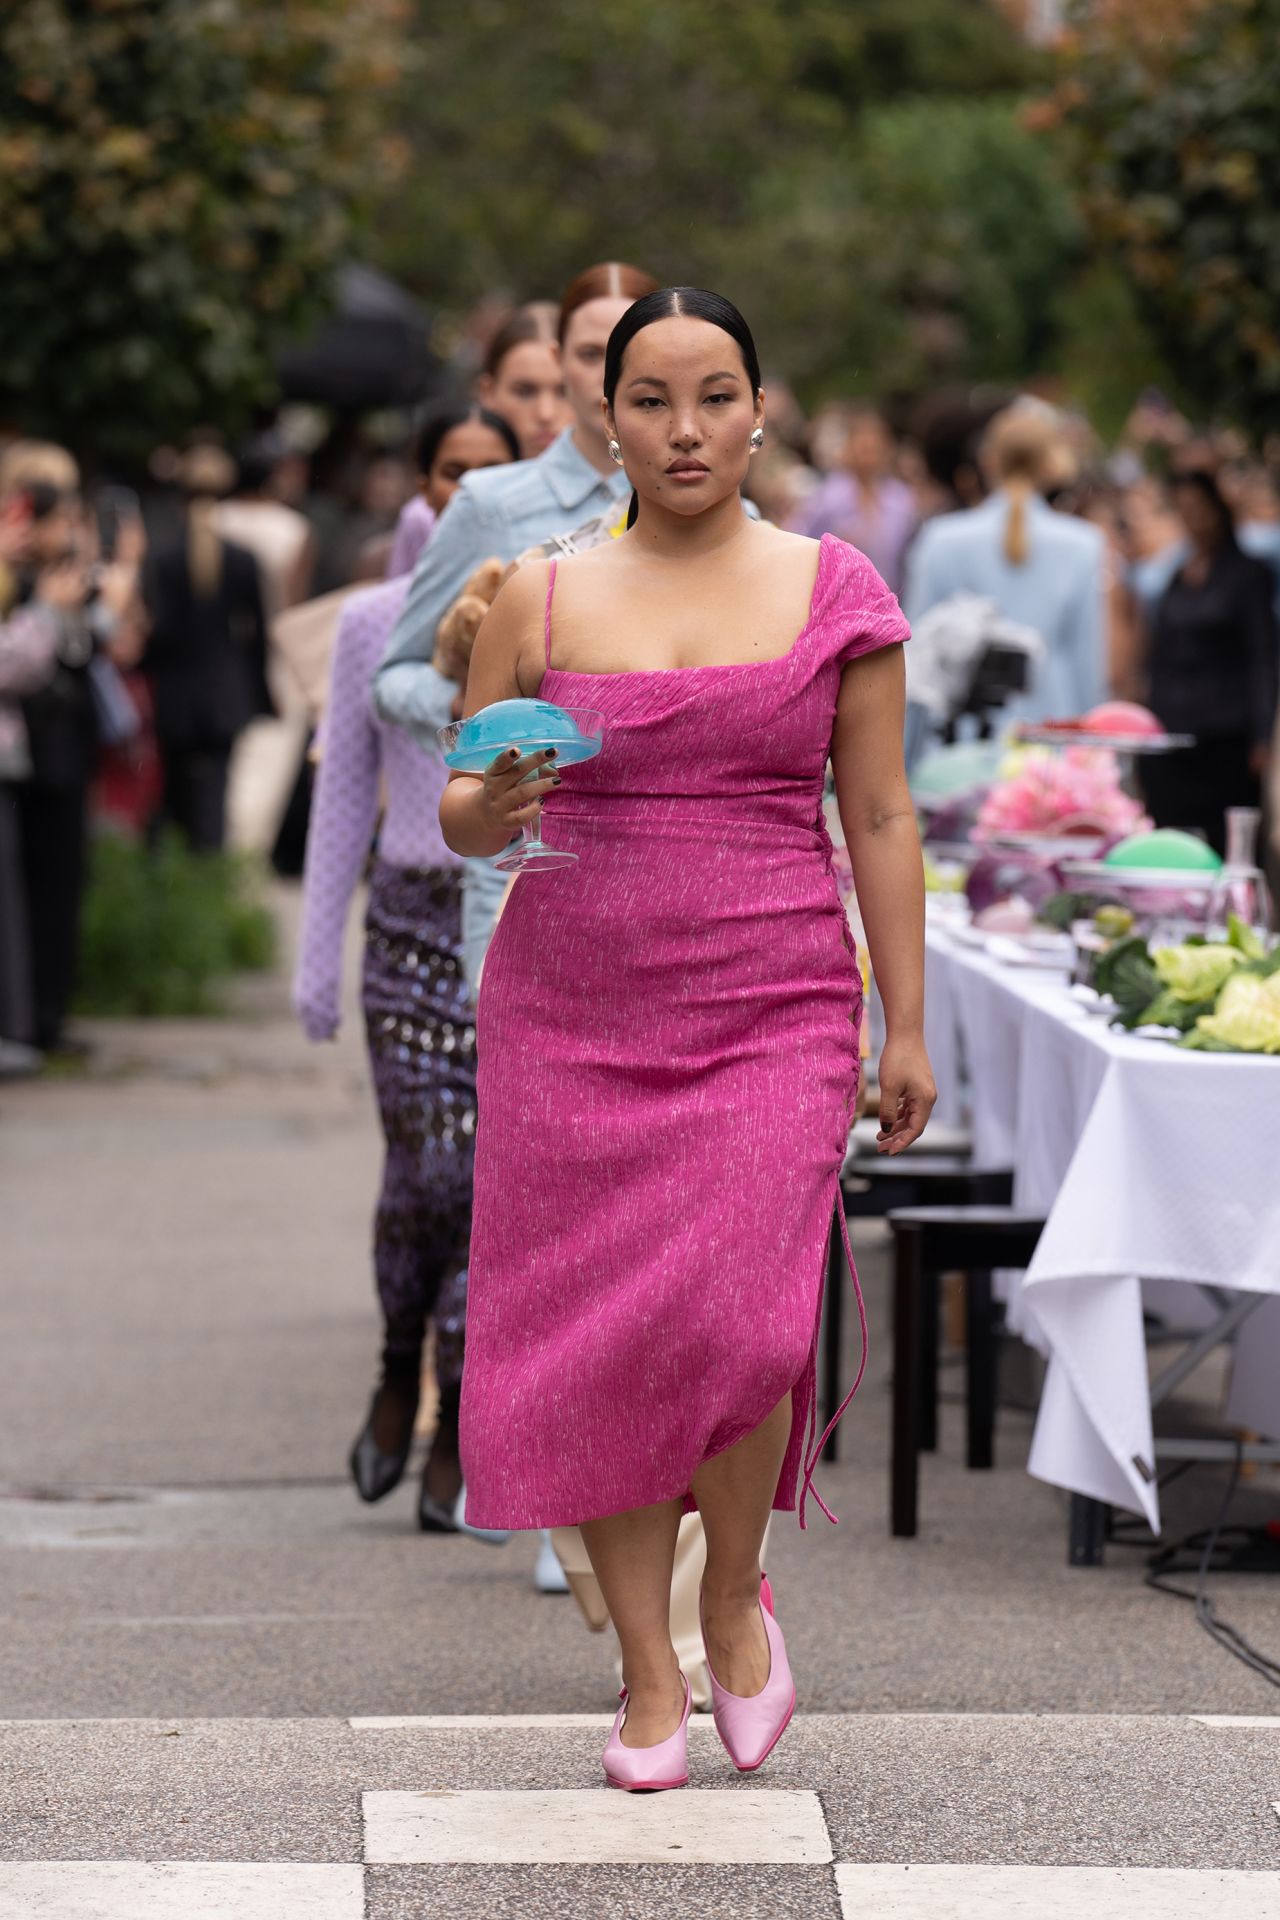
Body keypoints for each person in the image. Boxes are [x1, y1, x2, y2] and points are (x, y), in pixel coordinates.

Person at [440, 288, 934, 1788]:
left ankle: (734, 1597)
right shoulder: (537, 593)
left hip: (774, 994)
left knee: (745, 1318)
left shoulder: (833, 584)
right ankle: (647, 1673)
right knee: (600, 1342)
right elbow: (461, 806)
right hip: (572, 1005)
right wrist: (492, 806)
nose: (685, 429)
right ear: (606, 421)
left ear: (760, 411)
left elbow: (883, 813)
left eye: (714, 396)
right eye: (649, 400)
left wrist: (906, 1022)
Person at [293, 403, 518, 1531]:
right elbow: (341, 798)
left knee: (487, 1185)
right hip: (408, 926)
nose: (459, 494)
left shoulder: (550, 598)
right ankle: (398, 1357)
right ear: (423, 486)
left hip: (516, 919)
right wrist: (314, 964)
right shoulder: (376, 620)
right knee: (427, 1176)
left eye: (487, 472)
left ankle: (460, 1416)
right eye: (446, 473)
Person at [1, 441, 144, 1055]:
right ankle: (27, 1018)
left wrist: (112, 589)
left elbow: (112, 644)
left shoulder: (61, 580)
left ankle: (44, 1014)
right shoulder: (21, 584)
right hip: (33, 750)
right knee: (32, 889)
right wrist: (51, 612)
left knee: (58, 886)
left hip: (61, 748)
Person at [903, 402, 1107, 732]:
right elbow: (1086, 664)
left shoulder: (941, 539)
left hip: (959, 738)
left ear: (987, 461)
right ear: (1051, 464)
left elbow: (917, 660)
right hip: (1050, 736)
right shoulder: (1084, 543)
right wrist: (1090, 748)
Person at [1139, 470, 1278, 855]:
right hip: (1175, 730)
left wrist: (1263, 734)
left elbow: (1262, 656)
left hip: (1226, 735)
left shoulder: (1248, 574)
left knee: (1227, 840)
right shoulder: (1177, 576)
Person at [143, 446, 274, 852]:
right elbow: (258, 636)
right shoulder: (242, 558)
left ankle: (177, 891)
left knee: (174, 797)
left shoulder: (162, 557)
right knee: (214, 795)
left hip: (174, 693)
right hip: (224, 693)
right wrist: (260, 695)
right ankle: (212, 890)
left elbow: (158, 632)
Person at [788, 405, 917, 595]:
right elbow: (796, 537)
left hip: (891, 598)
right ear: (848, 448)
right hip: (840, 597)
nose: (869, 457)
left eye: (875, 448)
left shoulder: (901, 499)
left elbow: (908, 559)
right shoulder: (827, 498)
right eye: (863, 448)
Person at [476, 302, 570, 459]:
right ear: (488, 393)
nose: (546, 413)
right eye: (525, 392)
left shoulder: (623, 480)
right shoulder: (464, 481)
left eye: (565, 392)